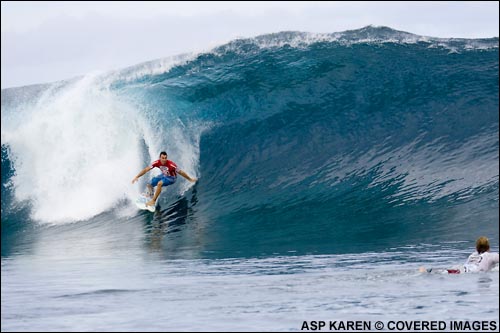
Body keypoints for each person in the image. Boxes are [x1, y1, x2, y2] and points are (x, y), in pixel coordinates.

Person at [132, 151, 197, 208]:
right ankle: (151, 195)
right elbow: (146, 169)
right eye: (163, 158)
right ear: (160, 158)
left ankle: (153, 201)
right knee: (149, 184)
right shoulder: (156, 163)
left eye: (165, 158)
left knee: (159, 183)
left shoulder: (171, 165)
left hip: (171, 178)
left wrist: (190, 179)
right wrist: (137, 176)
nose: (164, 160)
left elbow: (181, 172)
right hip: (164, 175)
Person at [419, 236, 499, 274]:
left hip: (464, 268)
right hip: (472, 271)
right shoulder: (491, 256)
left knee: (448, 271)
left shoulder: (472, 255)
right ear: (488, 246)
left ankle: (430, 271)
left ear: (476, 247)